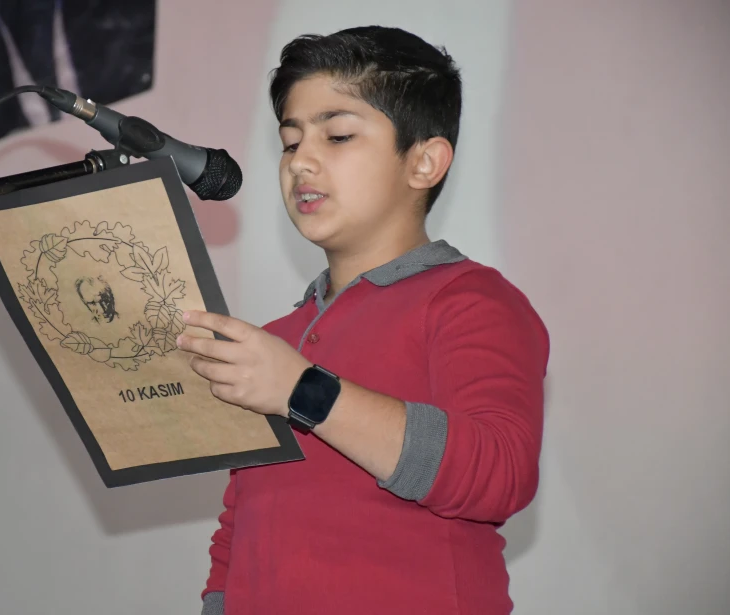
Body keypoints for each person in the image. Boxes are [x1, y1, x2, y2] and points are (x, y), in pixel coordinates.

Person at [175, 25, 550, 615]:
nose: (301, 162)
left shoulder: (472, 300)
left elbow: (501, 473)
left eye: (338, 135)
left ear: (424, 161)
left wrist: (302, 390)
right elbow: (239, 530)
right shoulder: (274, 343)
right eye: (290, 142)